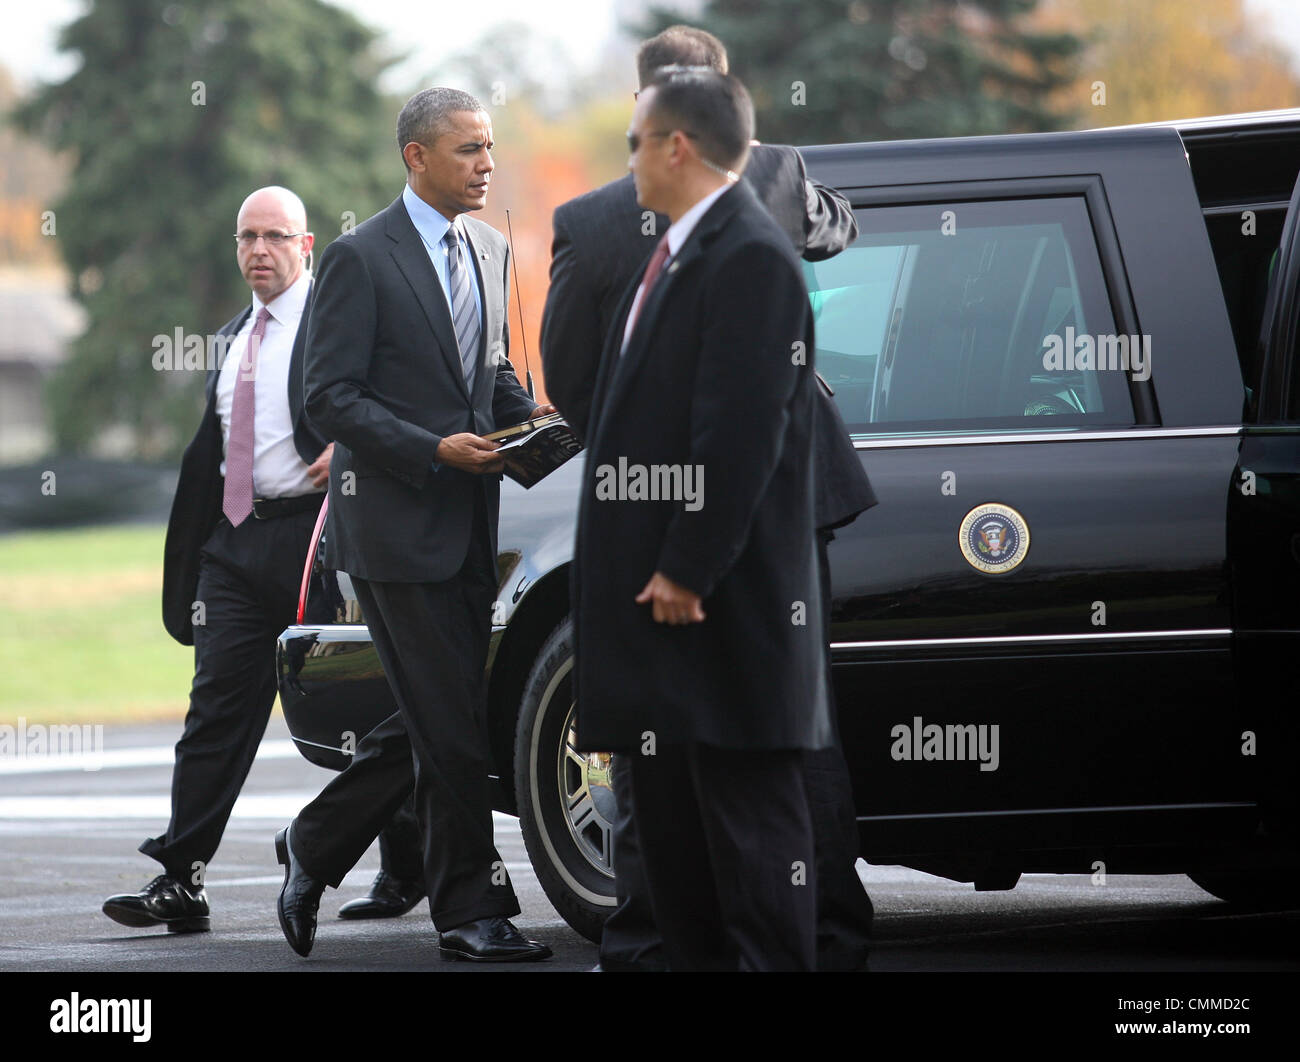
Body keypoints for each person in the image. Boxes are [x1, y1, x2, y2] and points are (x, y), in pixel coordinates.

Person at [541, 26, 876, 972]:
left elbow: (588, 387)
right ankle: (823, 931)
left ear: (671, 130)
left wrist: (679, 543)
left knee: (741, 766)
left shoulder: (643, 228)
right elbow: (839, 228)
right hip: (732, 529)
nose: (629, 154)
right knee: (723, 763)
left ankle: (675, 941)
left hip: (716, 539)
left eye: (637, 136)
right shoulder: (773, 191)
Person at [275, 87, 553, 962]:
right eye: (470, 149)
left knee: (447, 714)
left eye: (491, 148)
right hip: (398, 530)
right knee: (450, 726)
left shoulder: (491, 248)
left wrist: (541, 423)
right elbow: (328, 398)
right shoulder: (362, 258)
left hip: (476, 524)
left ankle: (314, 845)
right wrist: (434, 451)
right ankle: (469, 914)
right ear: (416, 157)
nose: (487, 165)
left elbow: (488, 372)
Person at [102, 186, 332, 933]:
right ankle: (180, 878)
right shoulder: (235, 335)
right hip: (233, 548)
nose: (257, 250)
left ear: (306, 246)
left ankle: (401, 863)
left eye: (274, 236)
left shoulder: (336, 325)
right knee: (214, 712)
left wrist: (353, 447)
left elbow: (385, 403)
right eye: (246, 237)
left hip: (319, 539)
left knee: (361, 703)